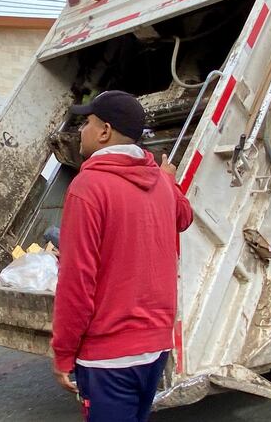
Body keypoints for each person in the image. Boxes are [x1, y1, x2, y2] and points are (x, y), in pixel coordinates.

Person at [52, 90, 193, 422]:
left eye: (87, 122)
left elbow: (76, 283)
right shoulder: (159, 181)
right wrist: (170, 181)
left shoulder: (88, 187)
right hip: (155, 348)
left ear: (104, 131)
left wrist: (63, 353)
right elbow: (184, 217)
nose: (81, 130)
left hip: (108, 358)